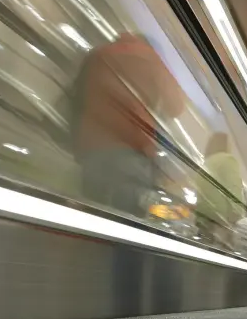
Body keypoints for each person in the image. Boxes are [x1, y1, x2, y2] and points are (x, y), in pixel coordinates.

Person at [72, 33, 184, 217]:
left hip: (91, 152)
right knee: (127, 220)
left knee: (91, 215)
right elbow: (176, 106)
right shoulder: (150, 58)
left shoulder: (96, 55)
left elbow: (77, 97)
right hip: (131, 153)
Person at [195, 132, 244, 251]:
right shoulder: (228, 160)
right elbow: (234, 189)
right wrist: (238, 215)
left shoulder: (205, 164)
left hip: (204, 221)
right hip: (221, 221)